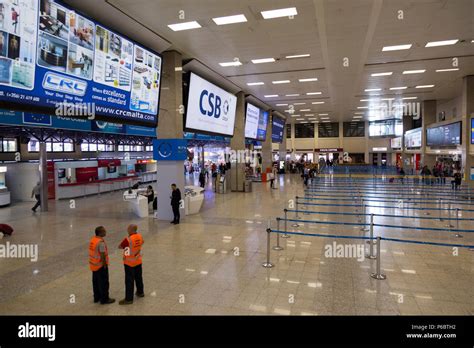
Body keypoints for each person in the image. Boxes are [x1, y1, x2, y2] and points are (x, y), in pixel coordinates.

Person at [118, 224, 144, 305]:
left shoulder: (128, 239)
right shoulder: (139, 236)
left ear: (130, 229)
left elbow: (120, 246)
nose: (127, 229)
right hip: (138, 261)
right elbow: (142, 242)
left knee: (129, 281)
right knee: (138, 277)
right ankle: (140, 292)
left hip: (129, 263)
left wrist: (127, 249)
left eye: (128, 228)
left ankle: (128, 299)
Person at [89, 226, 115, 305]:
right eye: (104, 231)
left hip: (93, 265)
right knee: (104, 282)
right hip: (100, 265)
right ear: (100, 233)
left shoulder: (93, 240)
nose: (105, 232)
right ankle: (104, 299)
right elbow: (102, 255)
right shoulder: (101, 243)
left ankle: (96, 297)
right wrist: (104, 265)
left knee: (95, 282)